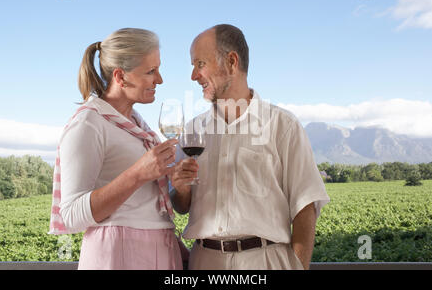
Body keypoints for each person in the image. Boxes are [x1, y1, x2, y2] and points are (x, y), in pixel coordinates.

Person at [170, 24, 330, 270]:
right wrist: (180, 188)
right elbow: (181, 206)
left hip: (265, 262)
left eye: (200, 64)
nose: (193, 75)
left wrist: (298, 267)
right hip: (204, 261)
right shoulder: (192, 131)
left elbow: (305, 207)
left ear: (231, 62)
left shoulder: (283, 126)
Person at [48, 28, 187, 270]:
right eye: (151, 71)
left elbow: (146, 204)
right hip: (118, 252)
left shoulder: (137, 125)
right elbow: (70, 215)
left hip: (159, 248)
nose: (160, 79)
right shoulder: (89, 124)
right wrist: (138, 173)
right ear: (120, 77)